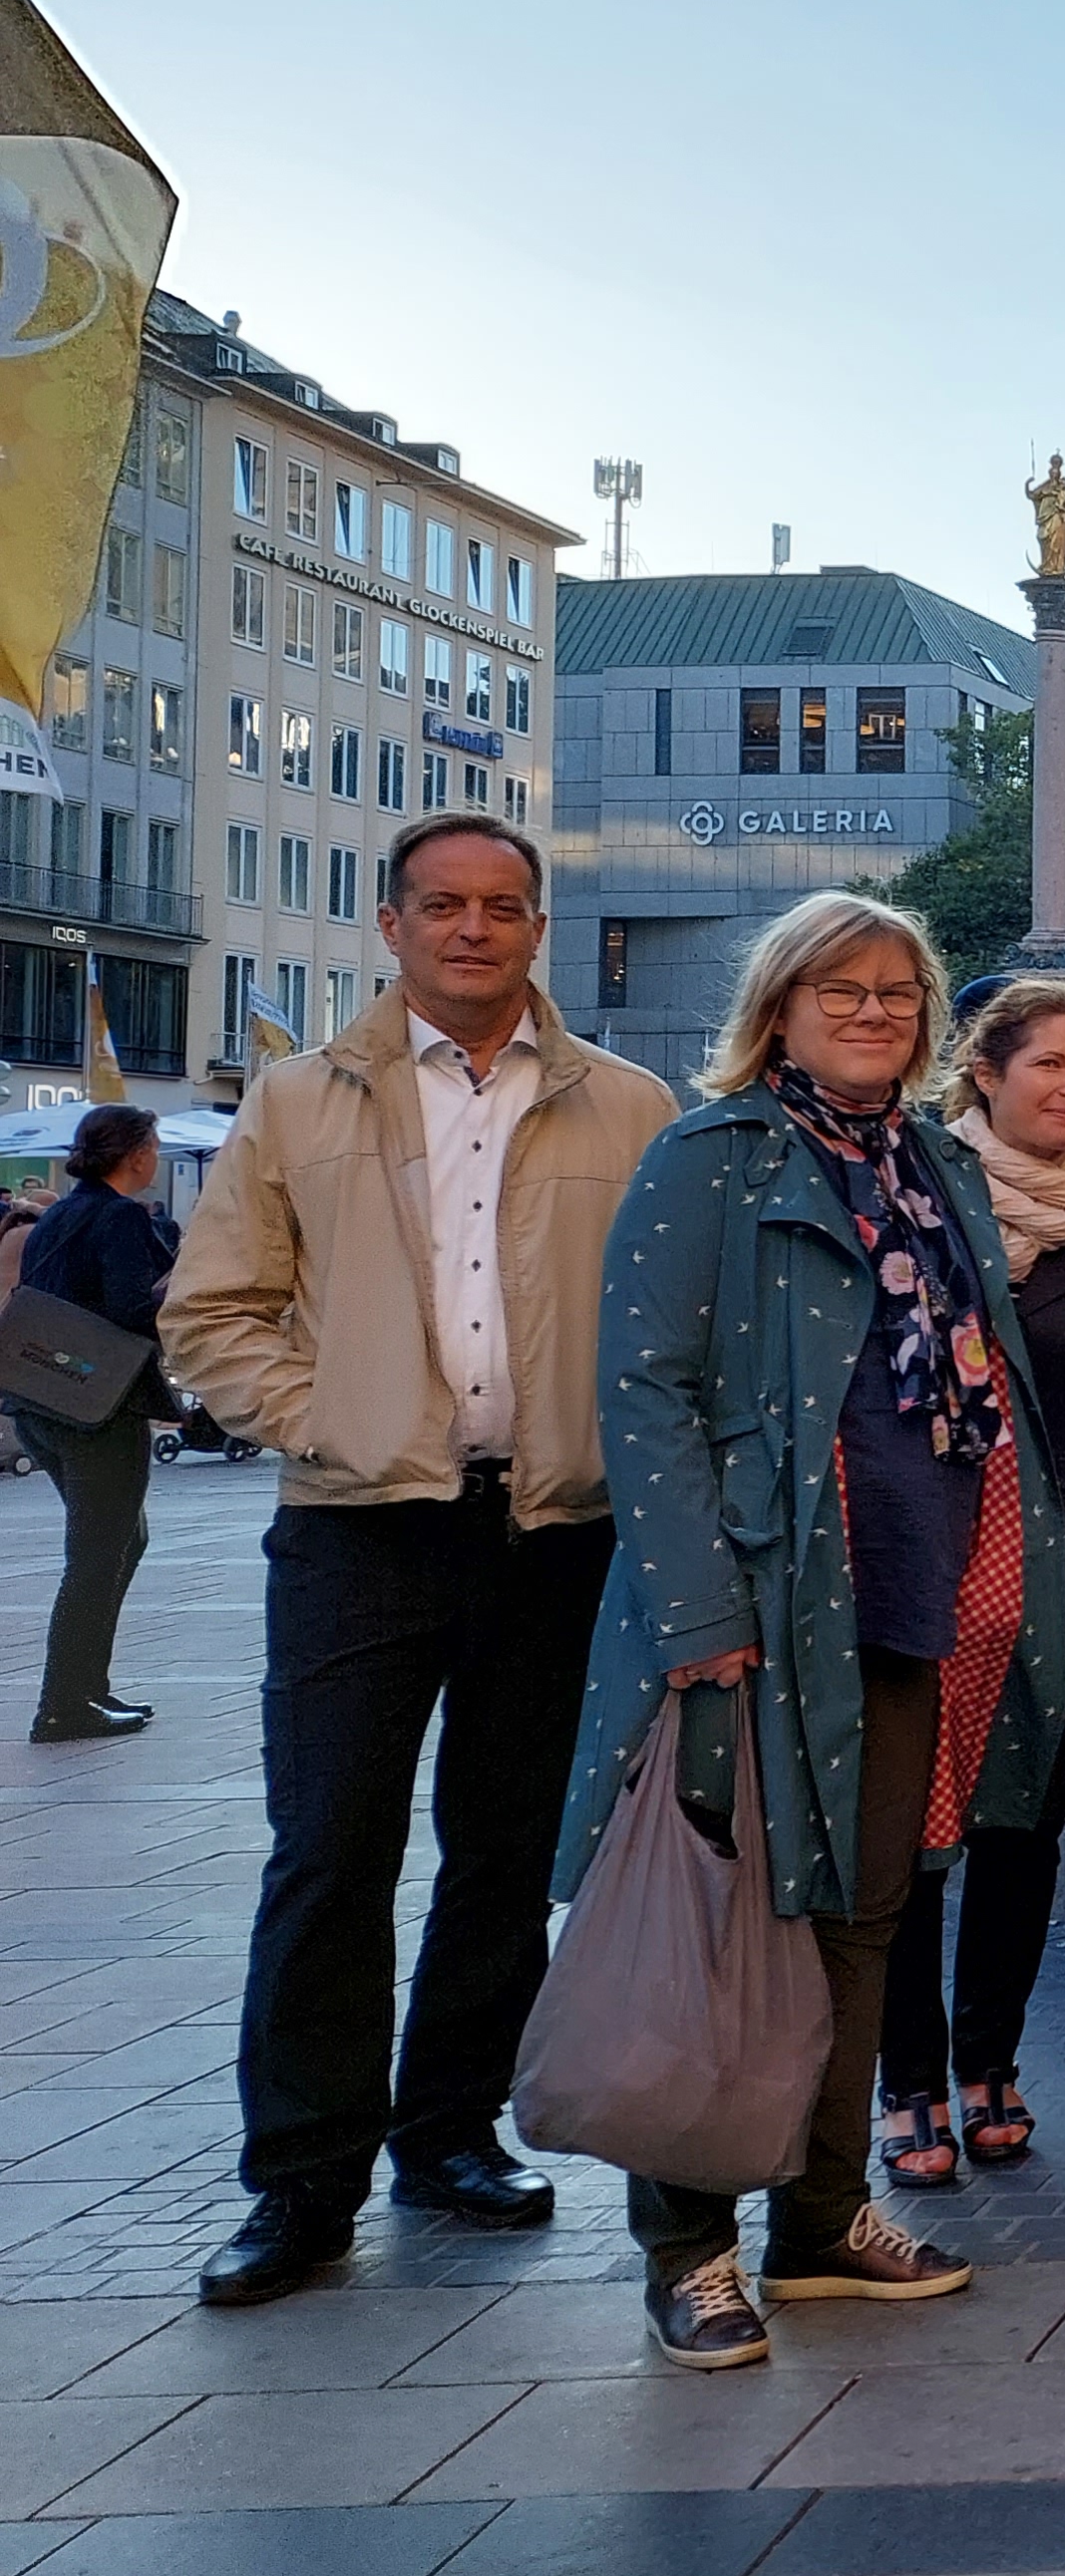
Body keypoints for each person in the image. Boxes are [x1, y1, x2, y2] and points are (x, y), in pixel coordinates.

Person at [165, 812, 677, 2309]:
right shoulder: (294, 1100)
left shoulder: (628, 1108)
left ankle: (448, 2131)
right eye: (443, 905)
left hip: (552, 1527)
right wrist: (324, 1420)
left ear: (536, 931)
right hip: (354, 1528)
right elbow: (213, 1312)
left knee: (504, 1851)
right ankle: (300, 2179)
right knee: (330, 1847)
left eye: (503, 908)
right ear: (390, 924)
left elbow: (660, 1326)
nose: (473, 929)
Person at [562, 891, 1065, 2371]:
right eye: (839, 989)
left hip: (921, 1588)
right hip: (771, 1599)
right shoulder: (708, 1159)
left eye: (899, 993)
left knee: (867, 1912)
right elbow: (642, 1389)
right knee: (741, 1911)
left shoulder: (930, 1164)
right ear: (776, 1006)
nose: (872, 1013)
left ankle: (825, 2213)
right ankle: (690, 2245)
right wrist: (697, 1603)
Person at [876, 979, 1065, 2181]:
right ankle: (907, 2079)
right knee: (907, 1822)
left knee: (1022, 1825)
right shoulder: (916, 1190)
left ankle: (991, 2062)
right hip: (932, 1546)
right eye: (1049, 1065)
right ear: (984, 1072)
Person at [14, 1107, 174, 1743]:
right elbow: (133, 1308)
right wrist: (180, 1287)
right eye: (154, 1145)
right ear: (135, 1155)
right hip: (98, 1408)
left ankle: (85, 1689)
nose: (156, 1156)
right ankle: (63, 1703)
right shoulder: (119, 1217)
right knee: (98, 1554)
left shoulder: (57, 1215)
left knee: (119, 1543)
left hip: (41, 1402)